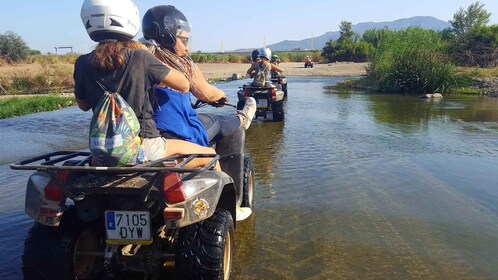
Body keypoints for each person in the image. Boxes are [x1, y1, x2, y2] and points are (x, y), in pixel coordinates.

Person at [74, 0, 220, 170]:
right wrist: (155, 68)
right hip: (145, 146)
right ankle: (234, 197)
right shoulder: (140, 57)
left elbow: (83, 105)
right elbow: (184, 85)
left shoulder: (82, 63)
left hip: (102, 152)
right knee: (211, 155)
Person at [140, 5, 256, 146]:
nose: (187, 47)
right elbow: (207, 94)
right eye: (183, 41)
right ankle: (243, 119)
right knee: (217, 121)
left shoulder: (136, 60)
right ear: (167, 37)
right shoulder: (181, 65)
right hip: (179, 134)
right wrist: (221, 96)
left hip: (143, 137)